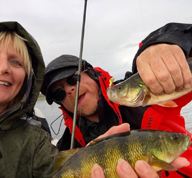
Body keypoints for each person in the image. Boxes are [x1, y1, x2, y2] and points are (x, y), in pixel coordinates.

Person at [41, 22, 192, 178]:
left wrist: (164, 43)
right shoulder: (68, 146)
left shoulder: (142, 94)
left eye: (73, 79)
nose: (69, 90)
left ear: (92, 74)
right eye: (59, 94)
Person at [0, 21, 60, 178]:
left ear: (27, 79)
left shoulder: (37, 140)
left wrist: (89, 158)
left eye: (16, 62)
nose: (2, 68)